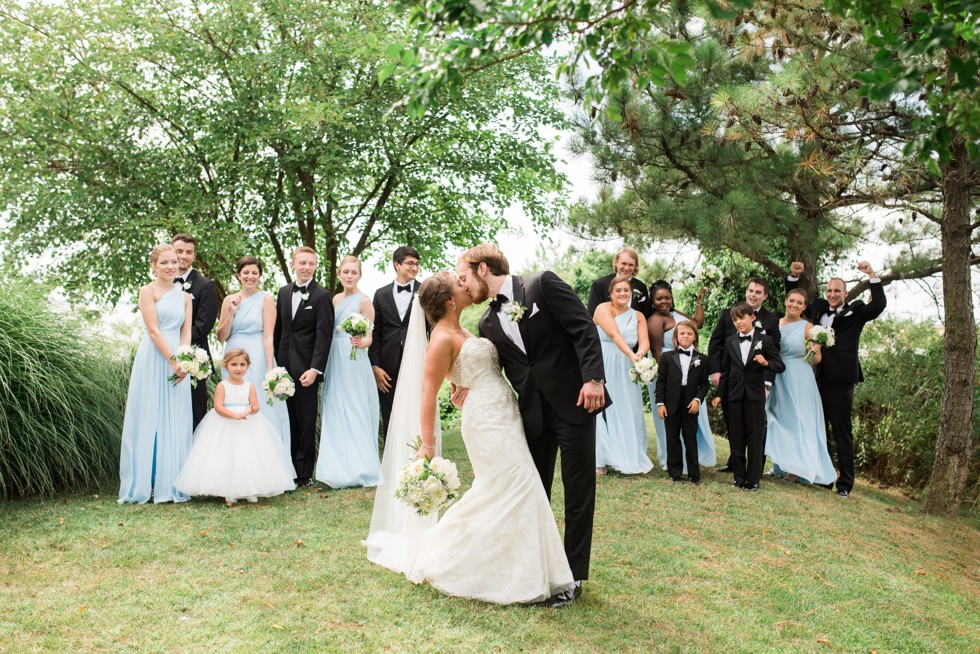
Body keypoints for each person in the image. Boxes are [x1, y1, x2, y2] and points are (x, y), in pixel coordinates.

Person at [402, 272, 575, 605]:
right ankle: (478, 565)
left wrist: (460, 379)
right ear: (450, 299)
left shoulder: (465, 329)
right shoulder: (441, 337)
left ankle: (526, 569)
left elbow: (469, 368)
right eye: (458, 283)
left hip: (506, 413)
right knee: (518, 485)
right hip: (484, 420)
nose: (465, 285)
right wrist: (427, 445)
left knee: (510, 489)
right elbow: (426, 392)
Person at [455, 243, 607, 607]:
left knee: (578, 491)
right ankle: (535, 570)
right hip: (531, 415)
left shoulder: (541, 284)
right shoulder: (486, 322)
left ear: (481, 269)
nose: (464, 286)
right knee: (532, 494)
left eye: (464, 277)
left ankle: (572, 577)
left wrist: (594, 379)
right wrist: (465, 386)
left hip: (575, 402)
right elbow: (498, 368)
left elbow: (583, 327)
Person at [786, 261, 886, 497]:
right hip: (815, 376)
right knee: (819, 429)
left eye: (837, 291)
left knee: (842, 432)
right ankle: (824, 477)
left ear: (845, 293)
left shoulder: (857, 311)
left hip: (841, 380)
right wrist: (793, 277)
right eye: (829, 290)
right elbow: (794, 303)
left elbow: (879, 304)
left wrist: (871, 275)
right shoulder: (818, 309)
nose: (832, 294)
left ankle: (845, 483)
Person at [118, 244, 194, 504]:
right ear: (154, 266)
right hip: (154, 356)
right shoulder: (147, 292)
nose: (171, 266)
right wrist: (172, 360)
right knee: (150, 414)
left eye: (174, 262)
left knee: (175, 416)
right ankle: (146, 484)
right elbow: (153, 330)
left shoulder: (185, 296)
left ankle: (172, 482)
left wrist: (185, 361)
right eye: (164, 263)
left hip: (178, 359)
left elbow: (186, 332)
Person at [174, 349, 296, 504]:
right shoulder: (222, 386)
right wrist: (234, 416)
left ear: (247, 366)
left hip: (247, 424)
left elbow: (256, 406)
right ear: (226, 366)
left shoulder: (249, 386)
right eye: (234, 364)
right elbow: (218, 407)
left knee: (248, 456)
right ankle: (228, 490)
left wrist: (251, 409)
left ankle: (249, 489)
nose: (238, 368)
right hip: (225, 422)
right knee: (226, 455)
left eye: (242, 364)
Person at [215, 256, 291, 465]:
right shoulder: (229, 300)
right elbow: (221, 336)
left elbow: (268, 335)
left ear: (259, 275)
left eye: (254, 273)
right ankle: (238, 462)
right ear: (239, 275)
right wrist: (230, 311)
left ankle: (268, 464)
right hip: (233, 353)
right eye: (245, 273)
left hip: (257, 355)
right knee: (234, 402)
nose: (250, 277)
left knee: (261, 406)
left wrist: (269, 368)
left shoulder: (266, 299)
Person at [315, 256, 381, 489]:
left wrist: (363, 343)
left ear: (359, 275)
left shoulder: (364, 301)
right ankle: (337, 468)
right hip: (335, 356)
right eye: (345, 272)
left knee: (354, 407)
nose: (349, 276)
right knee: (335, 407)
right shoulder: (334, 299)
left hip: (354, 359)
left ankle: (362, 468)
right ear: (339, 274)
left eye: (353, 272)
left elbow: (370, 335)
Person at [273, 246, 334, 488]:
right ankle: (287, 469)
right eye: (302, 263)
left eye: (311, 263)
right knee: (287, 421)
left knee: (306, 422)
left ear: (315, 266)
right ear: (293, 264)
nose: (306, 267)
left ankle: (304, 473)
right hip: (284, 369)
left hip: (307, 370)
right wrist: (276, 367)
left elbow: (324, 336)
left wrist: (315, 369)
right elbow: (280, 332)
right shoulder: (283, 292)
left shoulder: (322, 296)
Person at [708, 276, 781, 473]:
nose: (753, 295)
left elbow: (774, 354)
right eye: (751, 290)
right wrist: (715, 371)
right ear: (746, 291)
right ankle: (735, 463)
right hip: (729, 377)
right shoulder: (728, 314)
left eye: (758, 292)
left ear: (764, 296)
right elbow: (715, 343)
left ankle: (755, 467)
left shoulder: (772, 321)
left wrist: (767, 383)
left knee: (755, 427)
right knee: (734, 423)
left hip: (755, 383)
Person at [764, 289, 837, 486]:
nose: (794, 305)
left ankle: (796, 471)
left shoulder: (808, 327)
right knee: (776, 418)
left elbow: (817, 359)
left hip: (799, 378)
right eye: (791, 301)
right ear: (785, 301)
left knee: (797, 420)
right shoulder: (774, 323)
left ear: (804, 307)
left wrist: (815, 350)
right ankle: (780, 464)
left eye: (799, 303)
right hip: (778, 375)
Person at [646, 280, 716, 472]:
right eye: (659, 298)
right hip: (669, 374)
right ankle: (671, 460)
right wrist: (668, 381)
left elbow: (698, 324)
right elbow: (657, 352)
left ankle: (689, 461)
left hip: (687, 374)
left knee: (688, 419)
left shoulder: (676, 315)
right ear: (653, 301)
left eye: (667, 297)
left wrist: (699, 302)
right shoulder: (655, 320)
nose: (664, 301)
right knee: (669, 420)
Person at [592, 275, 653, 475]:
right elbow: (614, 334)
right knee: (602, 408)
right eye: (618, 290)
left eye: (626, 291)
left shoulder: (638, 316)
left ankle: (629, 455)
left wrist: (640, 355)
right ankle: (599, 458)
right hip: (605, 360)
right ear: (611, 293)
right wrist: (631, 355)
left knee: (630, 406)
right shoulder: (603, 308)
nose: (622, 294)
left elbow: (644, 341)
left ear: (631, 294)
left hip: (628, 364)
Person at [369, 246, 422, 439]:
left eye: (417, 264)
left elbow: (433, 328)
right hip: (386, 365)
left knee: (417, 408)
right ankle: (393, 457)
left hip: (417, 360)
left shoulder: (424, 291)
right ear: (397, 264)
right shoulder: (380, 294)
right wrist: (374, 366)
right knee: (390, 412)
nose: (415, 268)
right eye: (410, 263)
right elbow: (375, 332)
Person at [171, 234, 218, 429]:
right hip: (165, 355)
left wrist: (175, 342)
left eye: (188, 252)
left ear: (194, 255)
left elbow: (203, 326)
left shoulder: (205, 285)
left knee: (194, 416)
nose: (183, 256)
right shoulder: (163, 283)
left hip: (194, 360)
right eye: (179, 251)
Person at [655, 321, 710, 484]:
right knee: (672, 438)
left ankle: (694, 474)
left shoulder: (702, 359)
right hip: (671, 402)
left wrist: (697, 400)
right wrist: (660, 403)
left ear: (694, 337)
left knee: (690, 438)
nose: (685, 336)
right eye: (682, 333)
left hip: (690, 403)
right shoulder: (666, 357)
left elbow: (704, 384)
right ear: (676, 337)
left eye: (689, 333)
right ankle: (675, 473)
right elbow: (661, 381)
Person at [586, 246, 652, 318]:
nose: (627, 268)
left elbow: (646, 316)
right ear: (615, 263)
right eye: (624, 263)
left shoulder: (641, 287)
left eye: (631, 265)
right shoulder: (599, 284)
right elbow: (592, 315)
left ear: (635, 266)